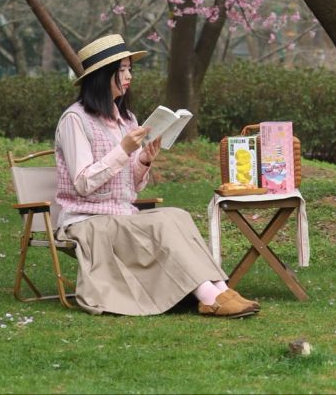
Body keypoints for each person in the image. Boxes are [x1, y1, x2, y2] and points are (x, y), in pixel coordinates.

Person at [55, 33, 260, 319]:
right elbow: (83, 184)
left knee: (176, 215)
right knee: (161, 225)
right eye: (122, 70)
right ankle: (209, 296)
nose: (129, 76)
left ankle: (219, 288)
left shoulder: (126, 119)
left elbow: (131, 186)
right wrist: (123, 150)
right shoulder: (75, 120)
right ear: (103, 76)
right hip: (87, 221)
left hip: (120, 214)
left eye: (130, 69)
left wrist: (143, 160)